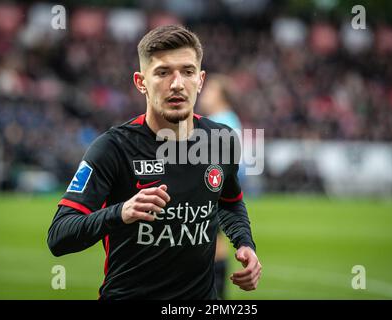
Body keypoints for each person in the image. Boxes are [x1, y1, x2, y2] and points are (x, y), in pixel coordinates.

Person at [47, 25, 261, 300]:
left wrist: (245, 242)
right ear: (141, 81)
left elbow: (229, 203)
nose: (176, 84)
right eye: (162, 72)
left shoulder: (222, 140)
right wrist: (120, 212)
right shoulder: (113, 148)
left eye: (187, 71)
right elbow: (59, 236)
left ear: (200, 80)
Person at [198, 73, 243, 300]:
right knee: (214, 239)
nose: (203, 95)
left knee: (210, 239)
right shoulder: (228, 119)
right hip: (218, 188)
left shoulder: (222, 121)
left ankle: (215, 293)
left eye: (209, 90)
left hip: (212, 190)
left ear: (220, 95)